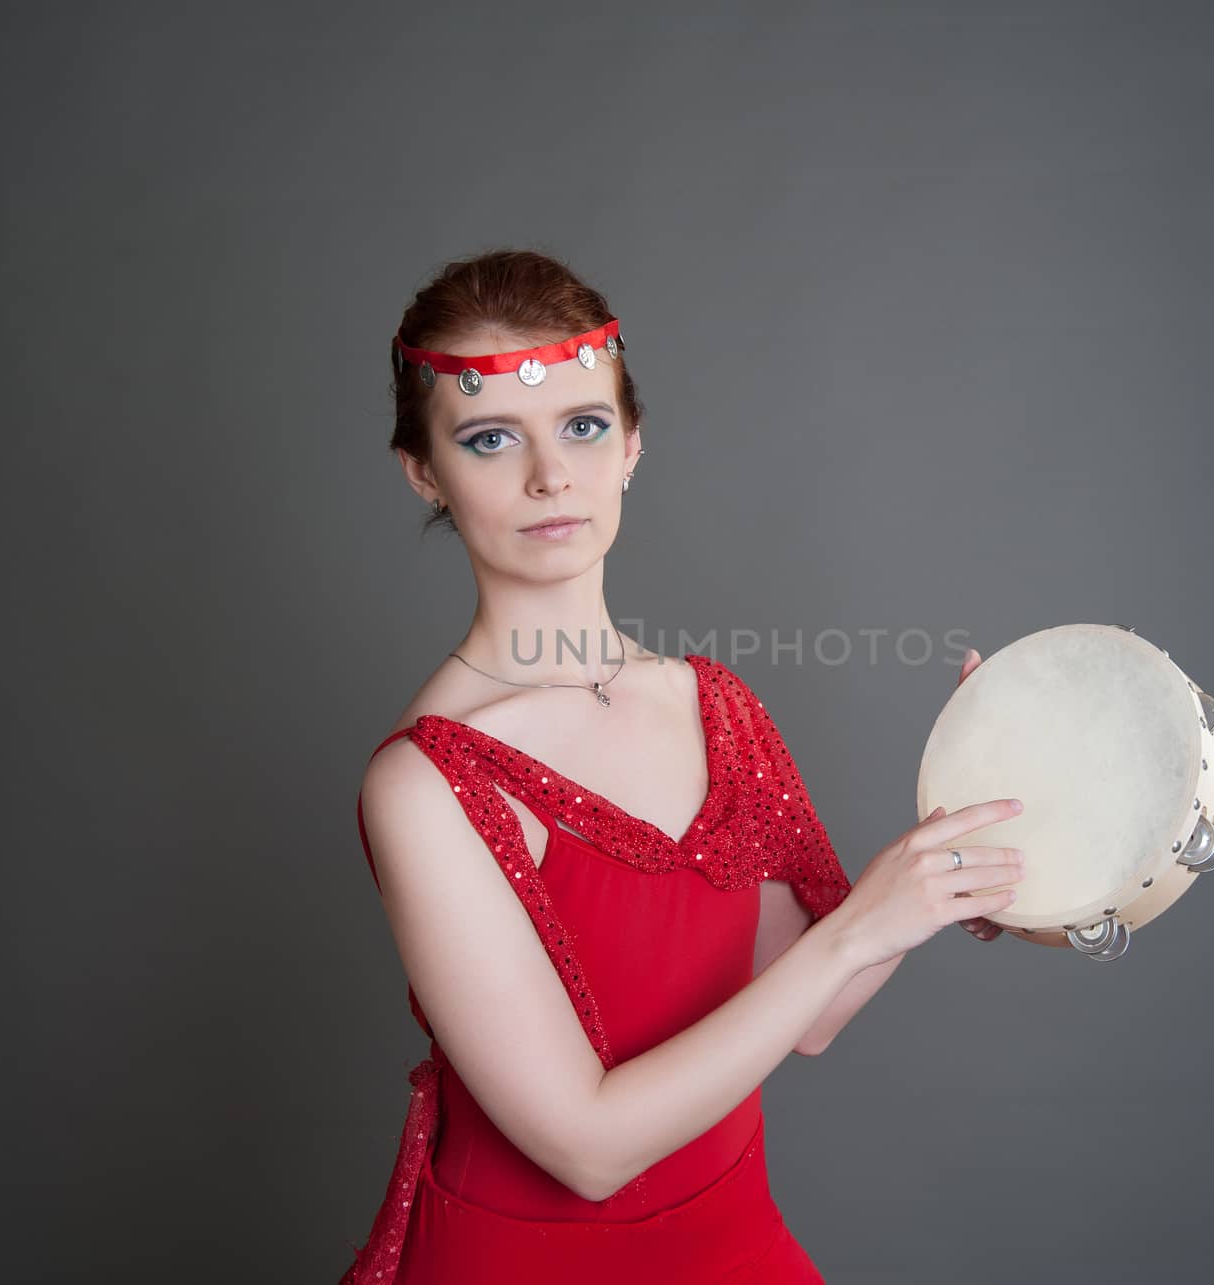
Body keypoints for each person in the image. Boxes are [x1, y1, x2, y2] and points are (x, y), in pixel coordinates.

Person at [338, 249, 1026, 1284]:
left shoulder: (715, 707)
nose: (549, 476)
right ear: (423, 470)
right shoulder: (426, 781)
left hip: (732, 1243)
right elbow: (588, 1146)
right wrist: (867, 923)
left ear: (632, 444)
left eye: (582, 425)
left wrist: (942, 847)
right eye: (490, 440)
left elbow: (812, 1015)